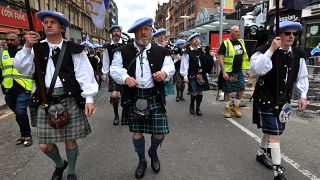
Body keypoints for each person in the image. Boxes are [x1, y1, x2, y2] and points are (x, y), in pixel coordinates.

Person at [14, 10, 98, 180]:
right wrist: (27, 47)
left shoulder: (74, 49)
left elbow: (85, 74)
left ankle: (72, 171)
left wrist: (89, 98)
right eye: (45, 22)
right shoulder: (36, 48)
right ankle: (60, 164)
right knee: (44, 145)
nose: (48, 24)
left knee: (70, 141)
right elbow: (22, 68)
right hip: (45, 101)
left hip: (69, 99)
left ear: (61, 27)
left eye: (53, 22)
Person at [110, 17, 175, 179]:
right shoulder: (123, 51)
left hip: (154, 96)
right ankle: (142, 161)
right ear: (134, 32)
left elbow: (170, 66)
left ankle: (153, 152)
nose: (144, 32)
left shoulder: (161, 51)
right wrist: (125, 78)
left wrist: (164, 73)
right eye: (140, 29)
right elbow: (114, 69)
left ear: (151, 31)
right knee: (137, 133)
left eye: (147, 29)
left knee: (159, 133)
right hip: (134, 96)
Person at [250, 21, 309, 180]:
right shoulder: (263, 51)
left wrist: (303, 95)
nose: (291, 37)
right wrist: (271, 50)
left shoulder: (297, 54)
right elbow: (257, 70)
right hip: (266, 97)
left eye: (294, 34)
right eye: (287, 33)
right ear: (279, 35)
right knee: (275, 134)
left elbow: (302, 76)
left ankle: (261, 153)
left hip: (284, 100)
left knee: (271, 130)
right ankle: (278, 171)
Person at [0, 32, 33, 147]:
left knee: (20, 112)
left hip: (23, 88)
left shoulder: (24, 52)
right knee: (18, 114)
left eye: (12, 40)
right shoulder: (2, 53)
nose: (9, 42)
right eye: (7, 40)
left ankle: (27, 135)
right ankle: (23, 135)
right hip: (8, 90)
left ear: (18, 40)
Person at [218, 25, 250, 118]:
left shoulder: (241, 42)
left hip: (238, 71)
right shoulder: (226, 43)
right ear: (231, 32)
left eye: (238, 31)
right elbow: (220, 58)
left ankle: (236, 107)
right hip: (228, 71)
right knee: (227, 91)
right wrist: (223, 72)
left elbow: (244, 56)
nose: (238, 33)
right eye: (236, 31)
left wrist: (247, 70)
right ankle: (227, 109)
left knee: (241, 89)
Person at [180, 33, 214, 116]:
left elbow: (206, 62)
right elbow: (184, 65)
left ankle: (198, 108)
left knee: (200, 92)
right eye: (194, 39)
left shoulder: (202, 51)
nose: (196, 40)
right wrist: (185, 76)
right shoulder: (187, 52)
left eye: (198, 38)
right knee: (194, 92)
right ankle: (192, 106)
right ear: (191, 41)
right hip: (192, 74)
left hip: (201, 74)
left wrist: (211, 57)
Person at [102, 25, 125, 125]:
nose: (116, 33)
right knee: (114, 95)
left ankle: (126, 114)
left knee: (126, 96)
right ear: (111, 34)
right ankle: (116, 115)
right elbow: (106, 61)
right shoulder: (108, 47)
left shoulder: (126, 44)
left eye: (118, 31)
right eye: (114, 31)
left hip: (125, 73)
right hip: (113, 74)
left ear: (120, 33)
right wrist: (105, 73)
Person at [153, 28, 174, 96]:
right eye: (160, 35)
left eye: (163, 35)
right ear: (156, 37)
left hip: (167, 70)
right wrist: (162, 47)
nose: (162, 37)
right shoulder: (153, 46)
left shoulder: (168, 46)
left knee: (164, 96)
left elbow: (173, 54)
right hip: (157, 71)